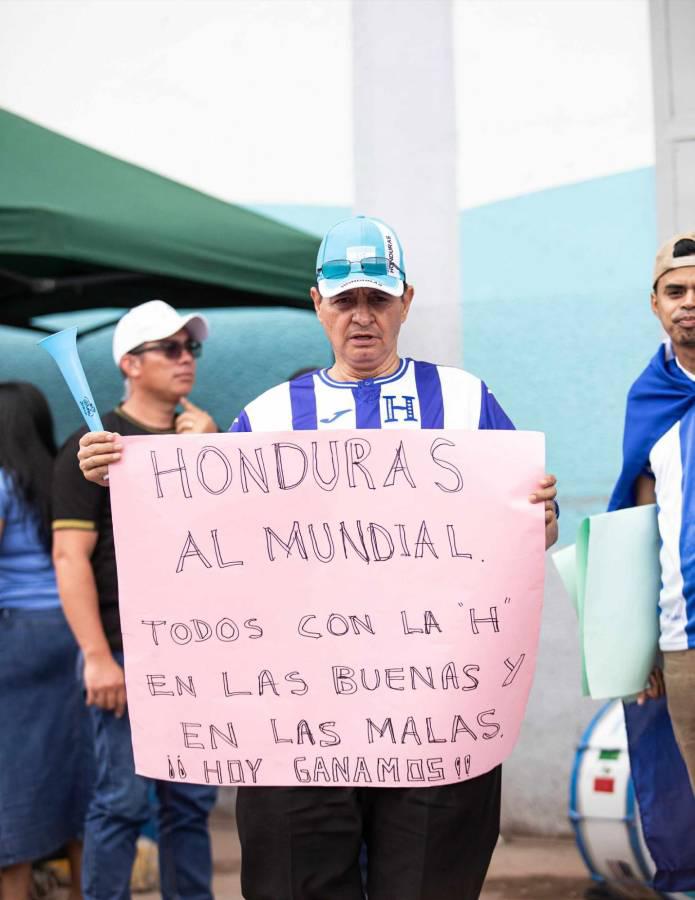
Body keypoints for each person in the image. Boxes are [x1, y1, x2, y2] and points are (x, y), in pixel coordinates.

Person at [76, 218, 559, 900]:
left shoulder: (464, 402)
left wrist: (540, 518)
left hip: (433, 711)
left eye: (377, 300)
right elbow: (203, 541)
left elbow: (525, 528)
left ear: (405, 302)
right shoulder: (269, 416)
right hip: (296, 723)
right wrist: (119, 476)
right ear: (317, 304)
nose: (361, 317)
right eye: (343, 300)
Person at [52, 300, 219, 900]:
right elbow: (69, 557)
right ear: (129, 363)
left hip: (199, 653)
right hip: (124, 650)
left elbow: (230, 542)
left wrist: (211, 454)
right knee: (121, 801)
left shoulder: (201, 437)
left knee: (190, 805)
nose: (185, 359)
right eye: (169, 348)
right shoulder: (93, 446)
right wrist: (96, 654)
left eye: (190, 347)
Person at [609, 231, 695, 793]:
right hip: (685, 636)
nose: (689, 302)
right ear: (655, 304)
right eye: (676, 290)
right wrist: (641, 647)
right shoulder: (651, 400)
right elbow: (640, 531)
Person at [0, 382, 89, 900]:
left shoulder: (2, 484)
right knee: (73, 764)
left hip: (16, 639)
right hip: (72, 632)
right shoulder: (60, 479)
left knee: (15, 770)